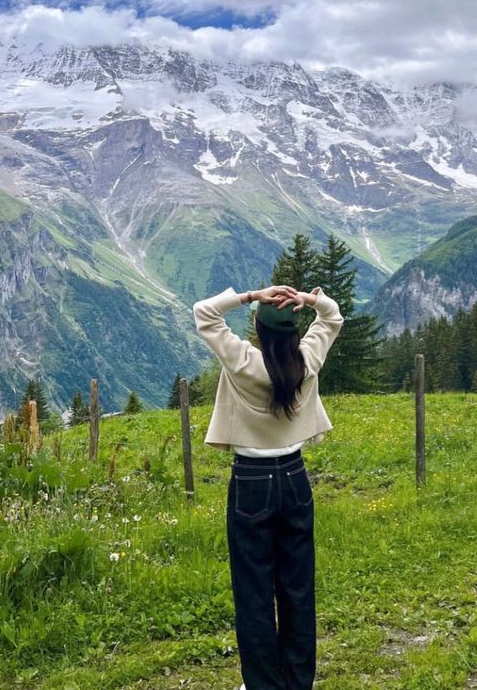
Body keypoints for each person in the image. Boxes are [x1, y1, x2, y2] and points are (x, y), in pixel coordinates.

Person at [193, 283, 344, 690]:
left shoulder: (244, 362)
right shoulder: (307, 361)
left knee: (254, 590)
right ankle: (298, 681)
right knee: (297, 585)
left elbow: (204, 313)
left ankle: (262, 684)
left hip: (251, 481)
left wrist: (252, 295)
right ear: (296, 334)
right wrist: (310, 300)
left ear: (258, 333)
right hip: (295, 477)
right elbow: (333, 318)